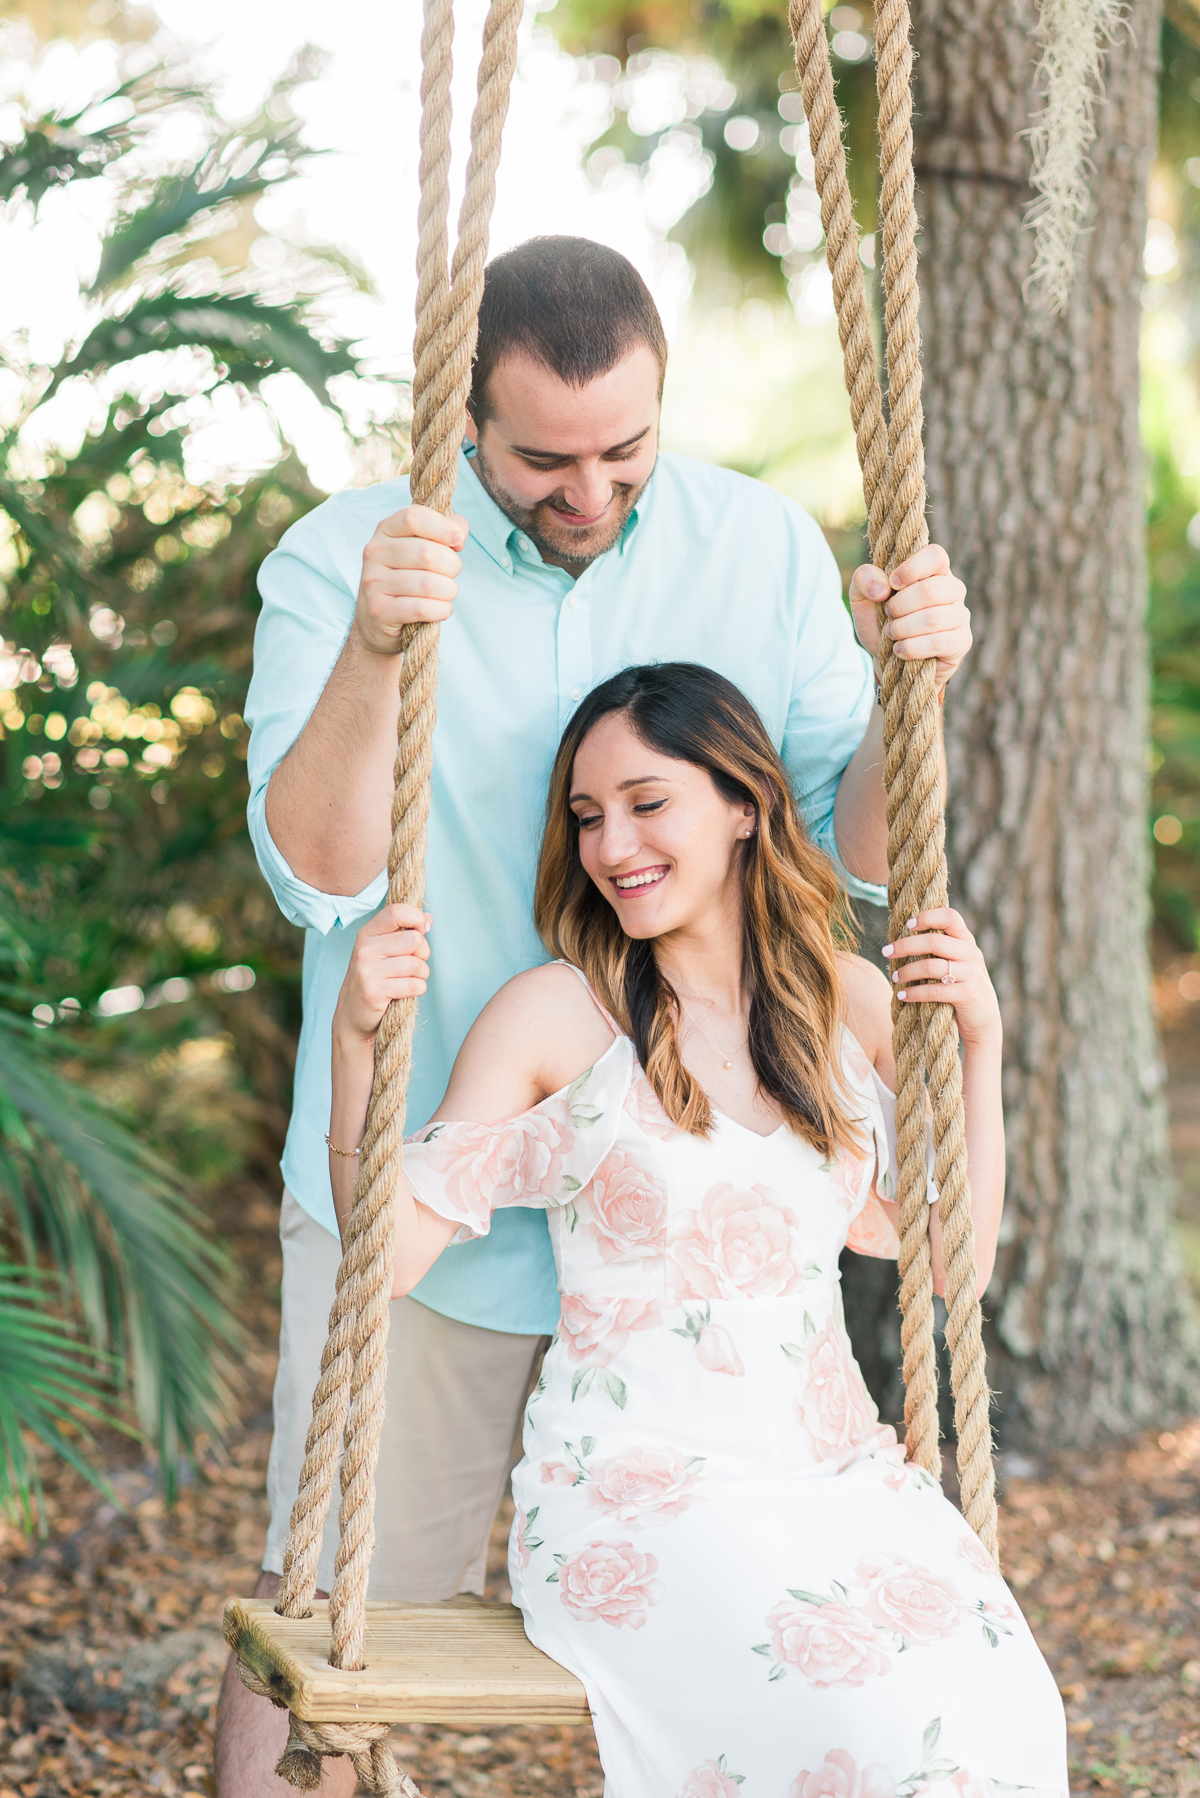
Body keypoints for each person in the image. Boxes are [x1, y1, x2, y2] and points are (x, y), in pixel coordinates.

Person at [217, 235, 973, 1793]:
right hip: (430, 1179)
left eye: (625, 447)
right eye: (542, 458)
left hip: (685, 1220)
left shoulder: (755, 546)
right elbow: (318, 868)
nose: (590, 489)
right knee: (337, 1624)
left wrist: (922, 691)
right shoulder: (347, 556)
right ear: (459, 417)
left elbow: (862, 851)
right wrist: (377, 643)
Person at [328, 662, 1068, 1798]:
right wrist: (355, 1043)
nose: (611, 842)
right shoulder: (557, 1016)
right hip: (638, 1493)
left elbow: (947, 1266)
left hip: (835, 1482)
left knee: (1006, 1718)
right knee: (861, 1731)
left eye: (646, 801)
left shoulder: (845, 1005)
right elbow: (389, 1257)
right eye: (586, 816)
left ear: (745, 805)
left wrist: (981, 1043)